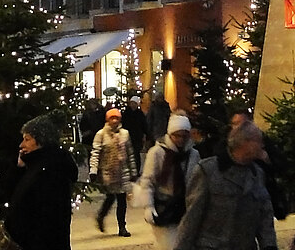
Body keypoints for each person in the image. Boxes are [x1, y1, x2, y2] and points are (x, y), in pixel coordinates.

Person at [174, 119, 277, 250]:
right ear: (244, 143)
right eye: (258, 141)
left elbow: (265, 217)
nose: (262, 146)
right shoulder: (208, 171)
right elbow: (192, 218)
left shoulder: (257, 174)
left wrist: (269, 246)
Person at [3, 115, 78, 250]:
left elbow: (49, 220)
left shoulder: (52, 170)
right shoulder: (33, 166)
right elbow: (13, 196)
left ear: (42, 141)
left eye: (27, 139)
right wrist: (19, 168)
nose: (21, 145)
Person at [139, 113, 201, 250]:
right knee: (167, 245)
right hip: (164, 208)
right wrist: (148, 206)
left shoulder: (193, 155)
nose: (181, 139)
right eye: (177, 135)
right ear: (170, 134)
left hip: (185, 209)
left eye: (184, 136)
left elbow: (197, 182)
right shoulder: (157, 153)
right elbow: (148, 181)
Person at [89, 107, 138, 236]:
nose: (114, 120)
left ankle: (122, 227)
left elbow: (130, 153)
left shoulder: (125, 134)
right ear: (107, 120)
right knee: (110, 197)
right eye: (112, 118)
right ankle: (101, 216)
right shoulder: (101, 134)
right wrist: (93, 170)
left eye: (117, 118)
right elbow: (95, 153)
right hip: (108, 172)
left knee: (122, 200)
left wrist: (133, 171)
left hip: (122, 171)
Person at [122, 95, 150, 167]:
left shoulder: (140, 114)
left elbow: (144, 125)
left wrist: (146, 135)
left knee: (136, 154)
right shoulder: (126, 113)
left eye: (135, 103)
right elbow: (123, 124)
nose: (133, 105)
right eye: (132, 103)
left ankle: (136, 168)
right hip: (127, 136)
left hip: (137, 137)